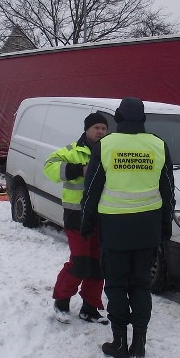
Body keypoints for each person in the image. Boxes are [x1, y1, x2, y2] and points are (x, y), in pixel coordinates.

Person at [81, 97, 175, 358]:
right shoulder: (159, 145)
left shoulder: (105, 145)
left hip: (114, 228)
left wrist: (87, 221)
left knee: (117, 285)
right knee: (141, 285)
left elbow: (92, 188)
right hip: (148, 227)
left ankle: (120, 344)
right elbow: (168, 190)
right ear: (142, 119)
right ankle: (140, 345)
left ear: (118, 119)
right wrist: (165, 225)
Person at [43, 112, 109, 324]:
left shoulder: (110, 151)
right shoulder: (72, 151)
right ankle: (61, 302)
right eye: (96, 127)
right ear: (86, 130)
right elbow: (49, 168)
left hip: (102, 215)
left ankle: (90, 308)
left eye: (103, 128)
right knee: (80, 263)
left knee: (98, 264)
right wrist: (78, 169)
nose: (100, 131)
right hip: (76, 215)